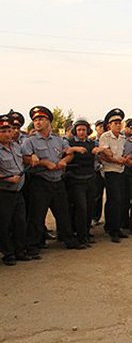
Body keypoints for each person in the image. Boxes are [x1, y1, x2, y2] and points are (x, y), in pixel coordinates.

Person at [22, 106, 84, 255]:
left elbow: (69, 153)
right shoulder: (29, 141)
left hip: (58, 181)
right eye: (35, 120)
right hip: (40, 181)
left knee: (63, 212)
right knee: (36, 215)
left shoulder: (58, 139)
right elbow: (24, 158)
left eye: (41, 119)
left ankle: (68, 240)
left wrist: (65, 161)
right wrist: (43, 162)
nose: (37, 122)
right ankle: (33, 245)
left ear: (48, 121)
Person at [66, 118, 104, 246]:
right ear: (75, 131)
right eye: (79, 130)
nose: (82, 132)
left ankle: (86, 234)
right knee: (80, 208)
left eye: (84, 130)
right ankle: (80, 236)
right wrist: (74, 149)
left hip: (90, 178)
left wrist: (99, 151)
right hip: (76, 180)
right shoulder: (69, 143)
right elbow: (62, 152)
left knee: (89, 208)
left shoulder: (92, 143)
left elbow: (102, 154)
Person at [0, 114, 28, 265]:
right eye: (2, 131)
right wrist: (7, 178)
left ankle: (20, 251)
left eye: (8, 130)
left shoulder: (16, 146)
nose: (7, 134)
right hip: (4, 191)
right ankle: (8, 253)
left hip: (18, 191)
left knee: (20, 222)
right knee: (4, 224)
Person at [99, 108, 128, 243]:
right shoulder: (105, 137)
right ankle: (113, 230)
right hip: (110, 171)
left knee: (119, 200)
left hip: (121, 171)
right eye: (114, 123)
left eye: (119, 122)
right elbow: (104, 156)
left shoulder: (123, 138)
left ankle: (115, 226)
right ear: (109, 125)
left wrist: (124, 159)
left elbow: (124, 154)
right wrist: (117, 160)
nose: (117, 125)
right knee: (114, 200)